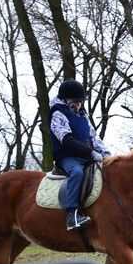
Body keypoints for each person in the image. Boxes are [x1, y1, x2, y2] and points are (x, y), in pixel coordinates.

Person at [50, 79, 111, 230]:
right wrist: (91, 152)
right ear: (65, 100)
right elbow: (67, 141)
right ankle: (72, 215)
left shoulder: (83, 116)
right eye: (75, 101)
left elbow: (94, 137)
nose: (78, 104)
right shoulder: (57, 114)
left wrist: (107, 154)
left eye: (80, 101)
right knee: (77, 172)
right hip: (67, 157)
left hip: (85, 156)